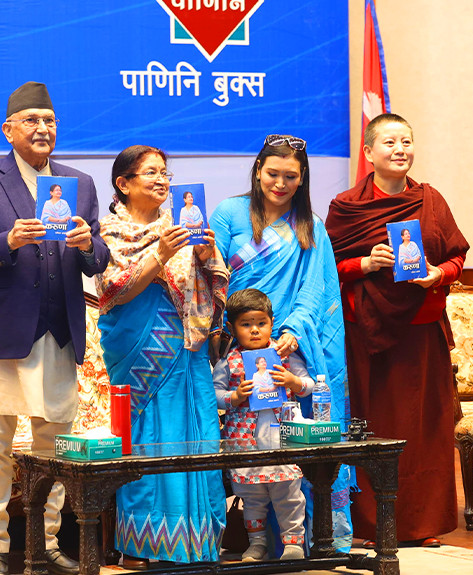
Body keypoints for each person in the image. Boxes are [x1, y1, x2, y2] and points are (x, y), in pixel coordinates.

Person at [0, 81, 109, 575]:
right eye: (32, 120)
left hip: (59, 332)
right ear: (8, 129)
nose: (43, 129)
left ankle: (47, 543)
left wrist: (87, 244)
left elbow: (99, 259)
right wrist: (8, 240)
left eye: (50, 121)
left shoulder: (79, 182)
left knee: (54, 448)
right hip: (6, 336)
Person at [325, 113, 469, 548]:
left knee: (424, 428)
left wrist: (439, 274)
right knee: (371, 425)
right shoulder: (346, 206)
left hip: (420, 332)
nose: (400, 149)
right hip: (368, 333)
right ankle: (370, 526)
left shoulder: (431, 200)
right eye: (389, 142)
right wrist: (365, 263)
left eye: (406, 141)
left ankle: (422, 525)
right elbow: (328, 266)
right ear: (369, 152)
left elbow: (457, 256)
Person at [210, 134, 352, 550]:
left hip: (291, 348)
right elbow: (214, 276)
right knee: (249, 444)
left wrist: (292, 330)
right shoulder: (229, 212)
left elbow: (314, 288)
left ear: (302, 177)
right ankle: (258, 540)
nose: (280, 183)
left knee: (298, 441)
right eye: (273, 173)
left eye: (291, 176)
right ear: (258, 170)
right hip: (238, 342)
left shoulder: (310, 226)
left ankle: (317, 539)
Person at [95, 145, 227, 569]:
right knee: (144, 438)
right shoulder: (108, 232)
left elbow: (214, 284)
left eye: (165, 173)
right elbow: (114, 290)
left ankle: (197, 543)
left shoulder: (184, 226)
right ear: (123, 183)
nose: (161, 180)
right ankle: (141, 545)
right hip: (138, 351)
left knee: (196, 434)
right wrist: (161, 254)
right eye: (151, 172)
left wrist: (206, 257)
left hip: (187, 351)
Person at [213, 288, 312, 562]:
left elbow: (309, 385)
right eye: (246, 324)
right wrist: (234, 397)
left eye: (261, 323)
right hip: (245, 442)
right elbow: (213, 394)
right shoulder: (230, 361)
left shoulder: (284, 356)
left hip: (282, 440)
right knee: (252, 496)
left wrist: (292, 381)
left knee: (289, 493)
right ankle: (257, 544)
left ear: (272, 322)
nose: (255, 330)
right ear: (232, 328)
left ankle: (293, 544)